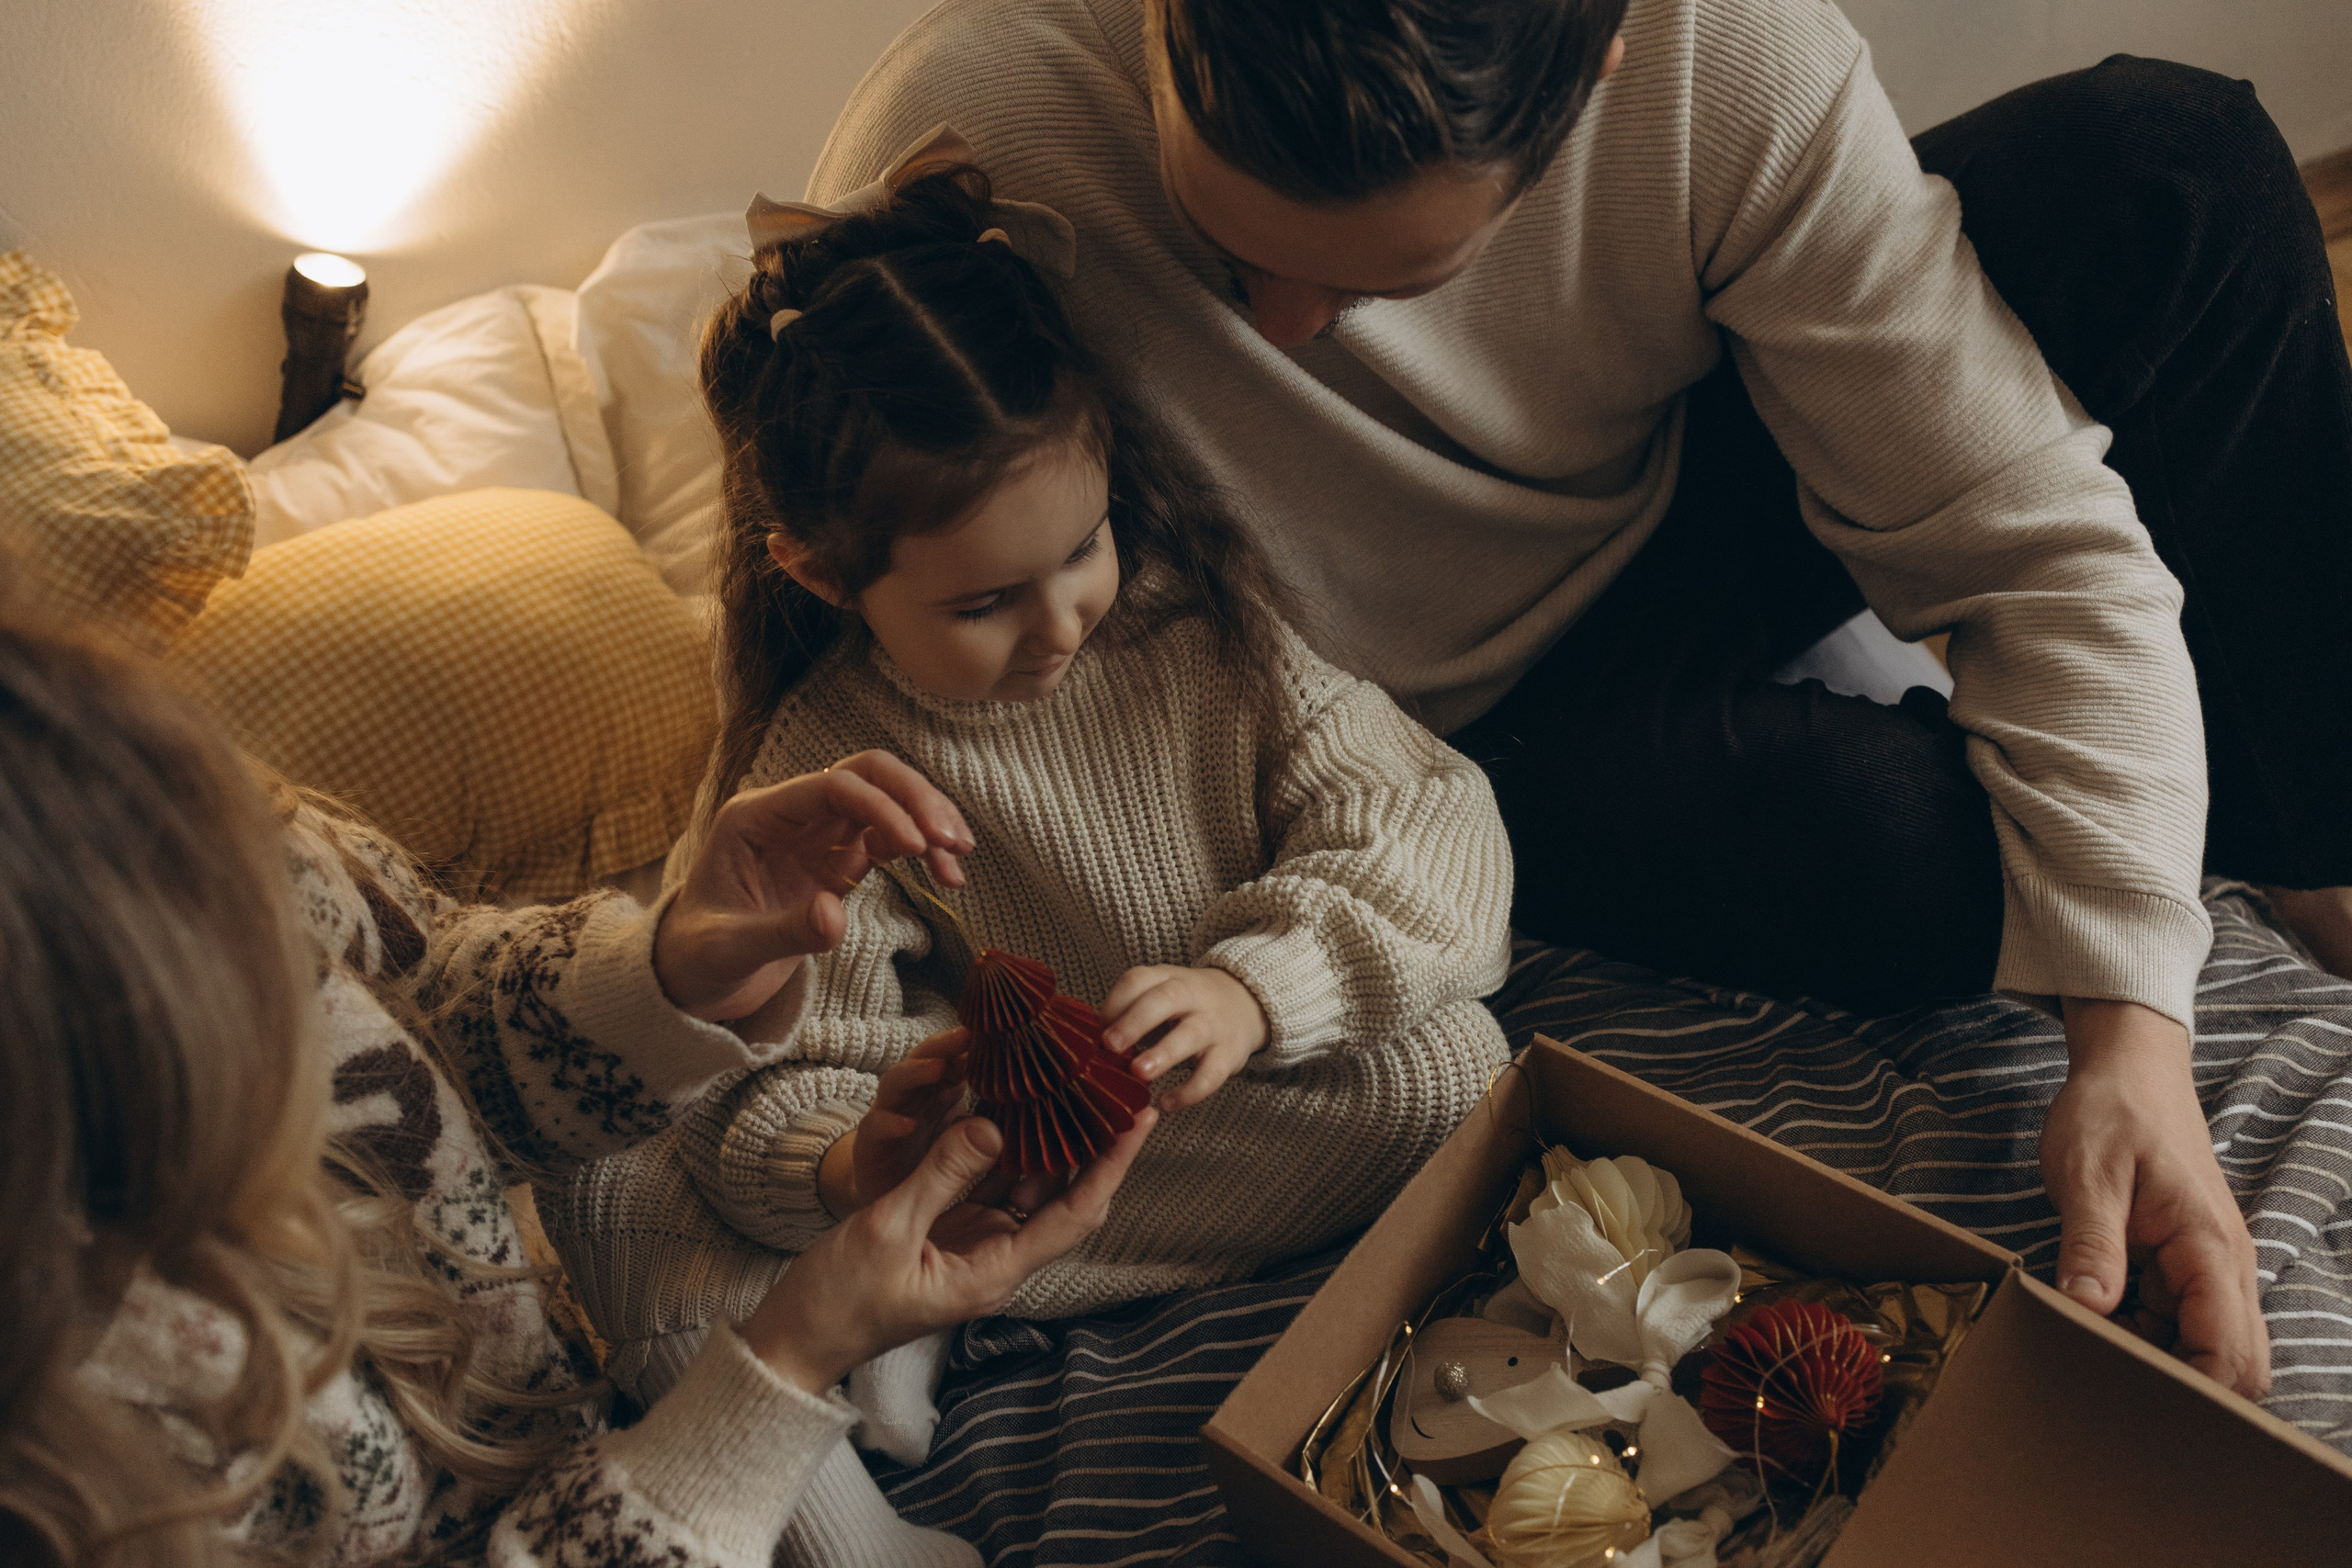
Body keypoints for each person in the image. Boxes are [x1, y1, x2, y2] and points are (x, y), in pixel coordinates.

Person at [797, 0, 2352, 1400]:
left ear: (1601, 57)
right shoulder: (968, 124)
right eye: (1228, 259)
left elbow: (2024, 540)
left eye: (1385, 277)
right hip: (1437, 727)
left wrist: (2138, 1035)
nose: (1275, 329)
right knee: (1924, 861)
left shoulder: (1720, 53)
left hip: (1665, 479)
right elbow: (830, 561)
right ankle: (2184, 815)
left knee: (2178, 160)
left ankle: (2303, 838)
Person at [537, 153, 1517, 1567]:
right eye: (988, 601)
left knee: (1451, 1066)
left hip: (1199, 1119)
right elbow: (761, 1096)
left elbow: (1432, 817)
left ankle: (926, 1320)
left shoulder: (1199, 634)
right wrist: (862, 1164)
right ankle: (861, 1453)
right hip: (971, 1168)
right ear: (821, 572)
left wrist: (1254, 991)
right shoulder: (823, 768)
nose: (1061, 621)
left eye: (1085, 547)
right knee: (609, 1177)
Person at [0, 604, 1150, 1568]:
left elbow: (422, 1010)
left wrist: (675, 972)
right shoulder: (82, 1475)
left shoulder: (145, 794)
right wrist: (782, 1367)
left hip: (582, 1430)